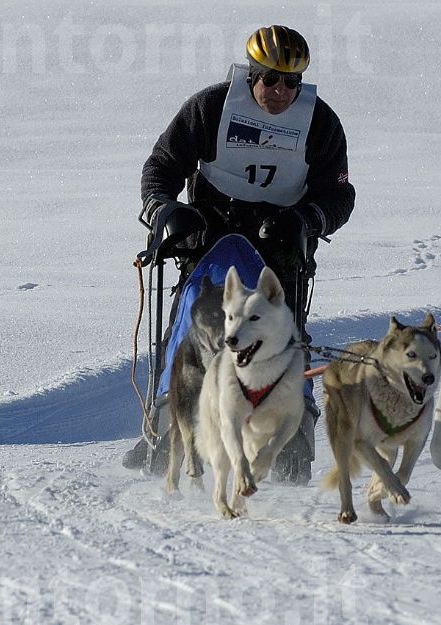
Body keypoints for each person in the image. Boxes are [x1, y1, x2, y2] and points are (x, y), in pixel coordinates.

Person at [125, 25, 355, 484]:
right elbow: (162, 167)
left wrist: (308, 220)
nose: (281, 91)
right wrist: (165, 210)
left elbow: (339, 195)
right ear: (253, 73)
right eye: (271, 78)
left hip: (280, 246)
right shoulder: (210, 108)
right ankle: (168, 420)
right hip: (208, 235)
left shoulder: (320, 124)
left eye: (292, 81)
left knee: (283, 333)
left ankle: (292, 439)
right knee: (192, 320)